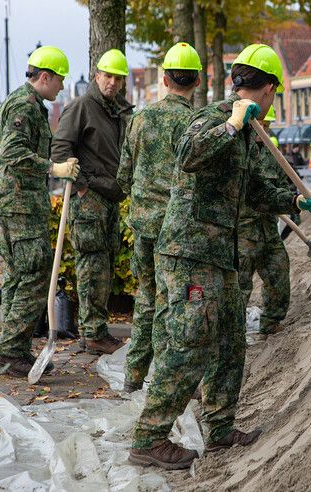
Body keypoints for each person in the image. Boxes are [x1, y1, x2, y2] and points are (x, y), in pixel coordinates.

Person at [129, 43, 311, 470]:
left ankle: (219, 429)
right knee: (188, 344)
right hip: (188, 252)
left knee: (229, 342)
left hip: (222, 254)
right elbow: (187, 157)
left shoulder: (252, 134)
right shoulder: (215, 117)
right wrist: (231, 126)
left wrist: (296, 200)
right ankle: (148, 438)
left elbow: (255, 193)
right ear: (271, 88)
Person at [0, 46, 80, 376]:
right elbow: (12, 151)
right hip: (20, 204)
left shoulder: (24, 104)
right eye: (60, 81)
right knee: (35, 273)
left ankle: (14, 349)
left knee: (18, 274)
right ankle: (10, 351)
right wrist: (53, 169)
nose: (62, 88)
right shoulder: (24, 105)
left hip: (18, 200)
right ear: (44, 77)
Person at [116, 42, 201, 392]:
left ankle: (133, 378)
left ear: (164, 79)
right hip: (176, 231)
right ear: (197, 81)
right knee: (174, 306)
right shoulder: (195, 124)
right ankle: (165, 388)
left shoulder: (139, 119)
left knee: (147, 300)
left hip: (143, 225)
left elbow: (124, 175)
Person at [51, 48, 134, 355]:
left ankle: (96, 329)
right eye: (107, 76)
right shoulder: (82, 106)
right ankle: (93, 333)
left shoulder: (119, 110)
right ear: (97, 76)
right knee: (92, 266)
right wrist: (82, 188)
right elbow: (60, 150)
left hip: (110, 197)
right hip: (90, 200)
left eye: (118, 77)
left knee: (105, 263)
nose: (112, 82)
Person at [238, 106, 292, 336]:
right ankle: (234, 329)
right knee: (239, 285)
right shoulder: (239, 152)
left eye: (268, 127)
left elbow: (286, 187)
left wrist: (296, 209)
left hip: (268, 230)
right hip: (242, 233)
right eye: (261, 126)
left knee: (279, 272)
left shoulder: (274, 156)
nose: (264, 131)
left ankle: (271, 322)